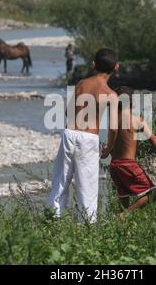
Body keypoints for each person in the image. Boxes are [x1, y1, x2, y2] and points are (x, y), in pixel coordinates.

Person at [48, 48, 120, 223]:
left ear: (93, 65)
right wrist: (108, 149)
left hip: (69, 134)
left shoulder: (81, 84)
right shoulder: (111, 95)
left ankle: (52, 220)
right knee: (87, 188)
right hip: (88, 139)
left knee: (60, 182)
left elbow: (67, 112)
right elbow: (113, 128)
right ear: (116, 67)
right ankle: (86, 228)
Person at [102, 86, 156, 219]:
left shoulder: (113, 121)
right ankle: (124, 216)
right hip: (128, 164)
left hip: (114, 165)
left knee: (124, 197)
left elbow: (112, 145)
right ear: (133, 102)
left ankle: (122, 224)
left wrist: (107, 151)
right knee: (152, 193)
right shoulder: (137, 120)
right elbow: (152, 138)